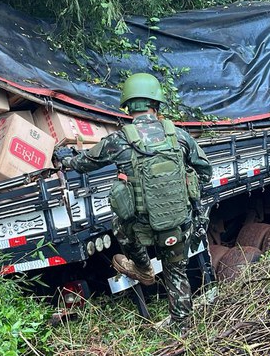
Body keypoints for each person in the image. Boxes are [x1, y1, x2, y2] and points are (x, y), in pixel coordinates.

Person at [59, 73, 212, 331]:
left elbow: (83, 164)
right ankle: (182, 327)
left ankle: (142, 267)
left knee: (118, 222)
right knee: (176, 273)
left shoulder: (119, 140)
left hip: (140, 229)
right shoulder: (179, 136)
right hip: (177, 223)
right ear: (157, 104)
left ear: (128, 106)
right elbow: (205, 171)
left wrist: (65, 159)